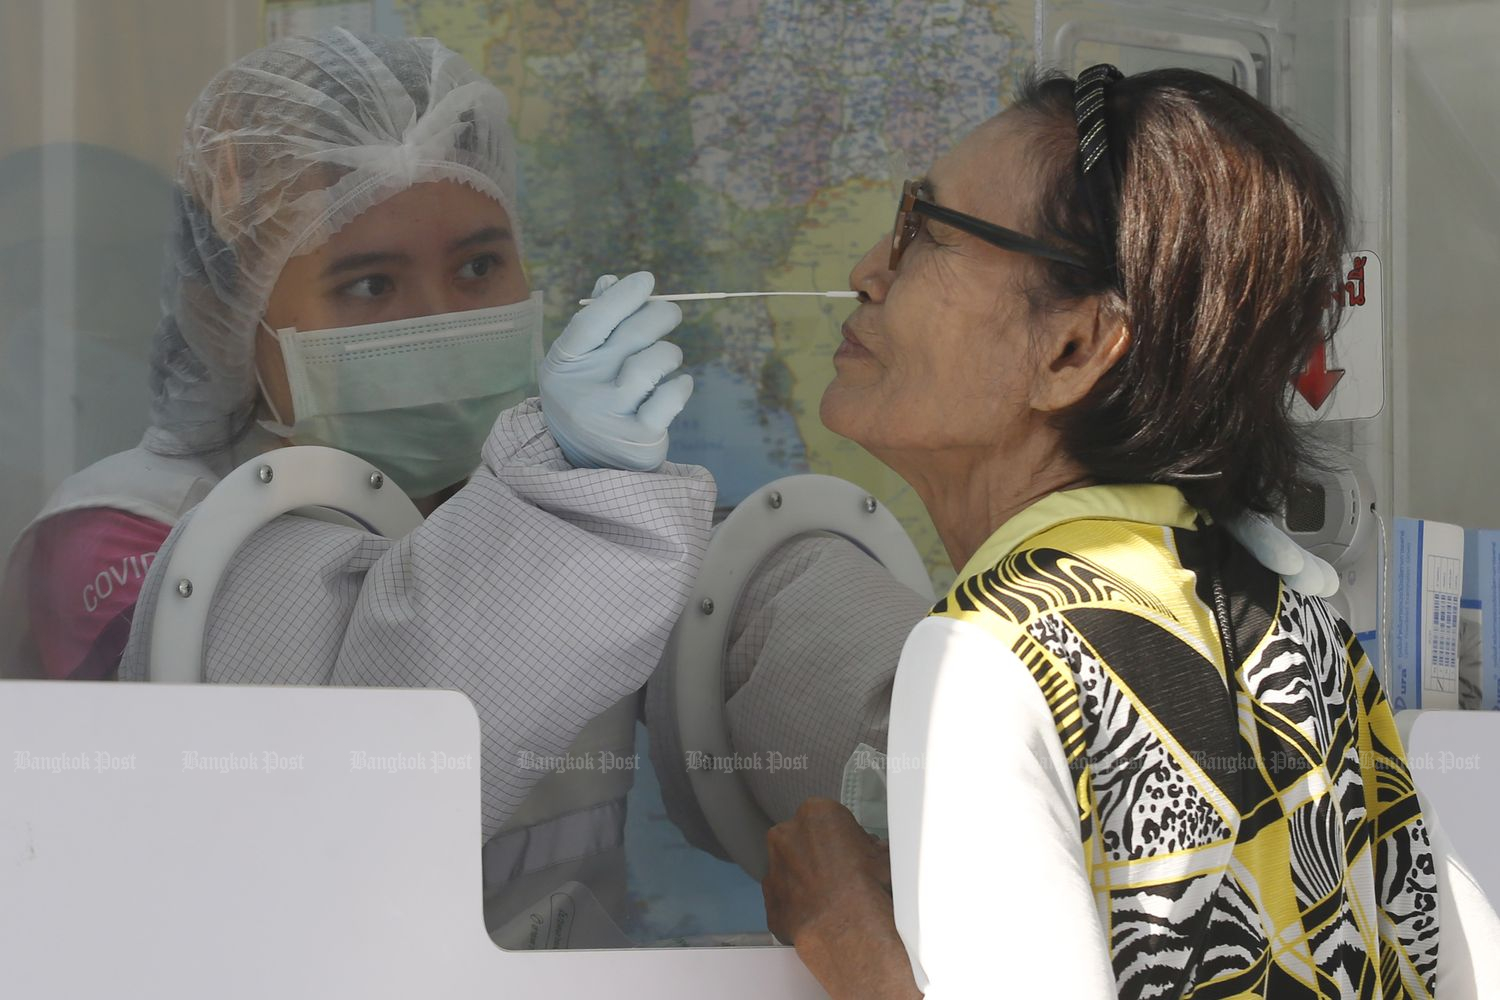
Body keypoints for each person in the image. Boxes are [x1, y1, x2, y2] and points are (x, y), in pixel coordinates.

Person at [759, 66, 1500, 999]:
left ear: (1073, 349)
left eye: (925, 232)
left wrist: (847, 940)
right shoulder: (1303, 633)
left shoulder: (994, 658)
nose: (870, 269)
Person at [0, 29, 708, 936]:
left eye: (480, 265)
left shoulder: (573, 497)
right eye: (370, 285)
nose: (440, 320)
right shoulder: (133, 535)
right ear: (229, 316)